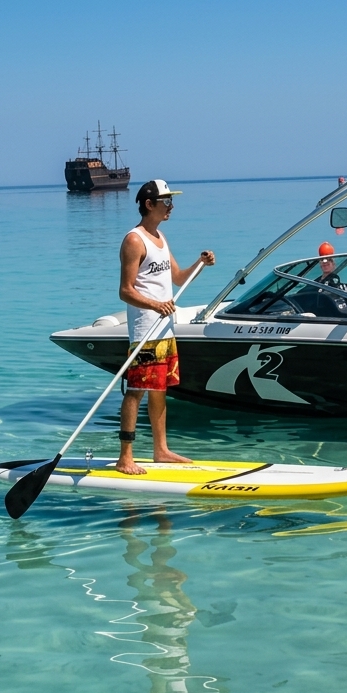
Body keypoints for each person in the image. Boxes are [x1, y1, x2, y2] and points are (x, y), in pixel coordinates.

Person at [117, 179, 215, 475]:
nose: (171, 206)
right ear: (149, 204)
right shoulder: (134, 240)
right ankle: (125, 457)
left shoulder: (160, 237)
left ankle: (161, 450)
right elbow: (126, 290)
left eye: (171, 201)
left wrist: (199, 263)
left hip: (165, 331)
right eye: (166, 201)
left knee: (160, 390)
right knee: (136, 390)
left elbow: (178, 279)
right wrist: (156, 305)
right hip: (145, 331)